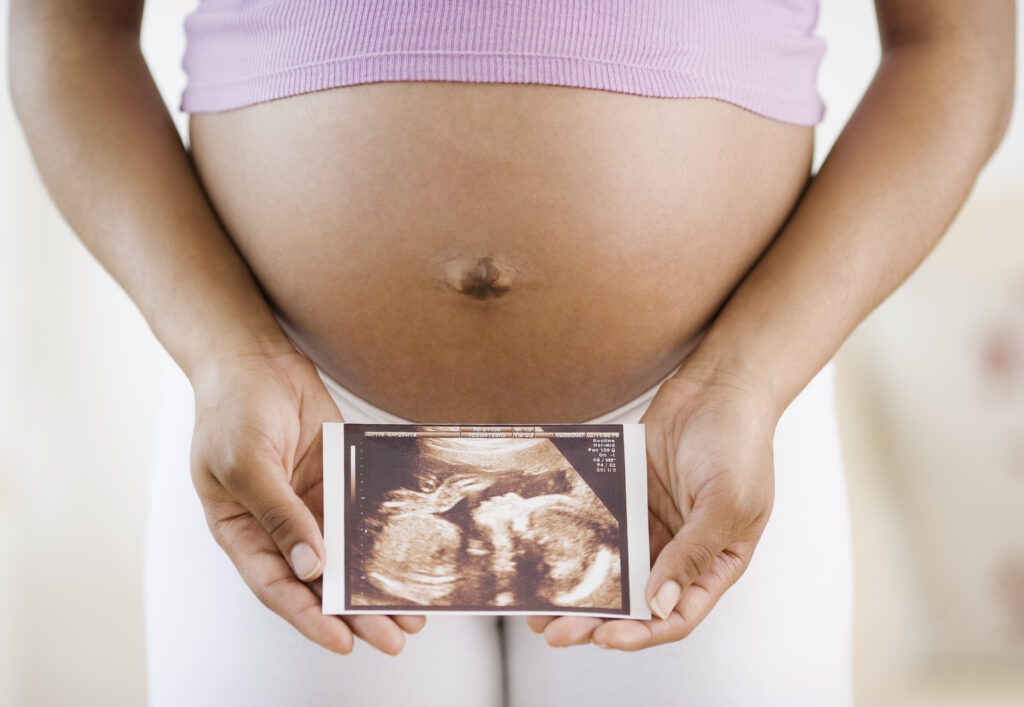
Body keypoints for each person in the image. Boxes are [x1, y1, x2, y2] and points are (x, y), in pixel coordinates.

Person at [8, 1, 1014, 705]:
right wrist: (225, 354)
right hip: (293, 428)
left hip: (700, 432)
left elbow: (955, 44)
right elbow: (66, 27)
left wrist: (746, 378)